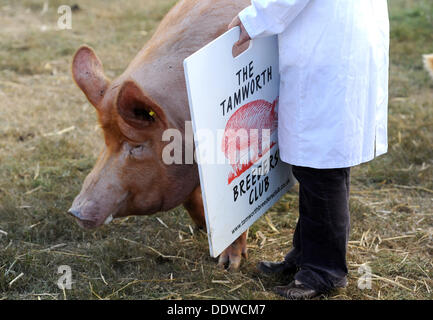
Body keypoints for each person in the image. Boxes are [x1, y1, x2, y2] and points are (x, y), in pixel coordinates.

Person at [228, 0, 390, 300]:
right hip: (336, 40)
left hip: (329, 52)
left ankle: (323, 272)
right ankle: (305, 256)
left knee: (322, 169)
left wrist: (253, 19)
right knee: (318, 165)